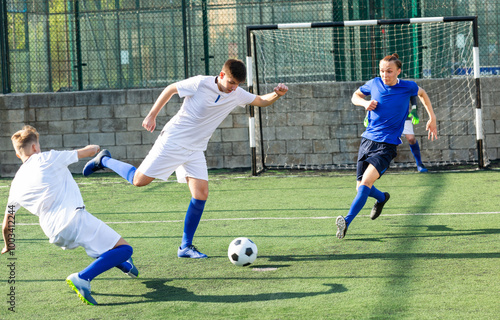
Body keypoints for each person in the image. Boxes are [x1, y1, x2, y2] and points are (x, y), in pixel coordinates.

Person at [83, 59, 288, 258]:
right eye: (231, 83)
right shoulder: (200, 83)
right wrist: (152, 115)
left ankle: (185, 247)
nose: (234, 88)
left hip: (195, 149)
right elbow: (171, 89)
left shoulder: (236, 93)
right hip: (173, 142)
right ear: (222, 75)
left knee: (201, 194)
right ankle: (104, 161)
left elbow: (261, 100)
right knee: (139, 181)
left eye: (238, 85)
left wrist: (276, 94)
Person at [2, 125, 139, 305]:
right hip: (73, 219)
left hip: (54, 233)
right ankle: (82, 278)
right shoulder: (47, 158)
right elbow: (86, 152)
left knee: (99, 245)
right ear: (35, 147)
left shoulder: (16, 184)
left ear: (18, 154)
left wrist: (8, 245)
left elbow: (7, 225)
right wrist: (97, 149)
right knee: (125, 249)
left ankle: (125, 265)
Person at [336, 53, 437, 239]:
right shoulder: (374, 83)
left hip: (387, 145)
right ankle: (382, 198)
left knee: (366, 182)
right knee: (360, 187)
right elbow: (355, 96)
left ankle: (346, 222)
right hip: (367, 141)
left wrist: (432, 117)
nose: (385, 74)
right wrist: (364, 103)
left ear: (398, 71)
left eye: (389, 71)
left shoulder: (408, 86)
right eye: (382, 71)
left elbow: (422, 94)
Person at [365, 95, 428, 172]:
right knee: (383, 141)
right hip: (386, 119)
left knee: (411, 139)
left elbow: (413, 95)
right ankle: (377, 166)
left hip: (403, 117)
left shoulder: (404, 85)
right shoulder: (381, 86)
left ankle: (419, 164)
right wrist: (368, 114)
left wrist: (414, 109)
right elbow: (374, 100)